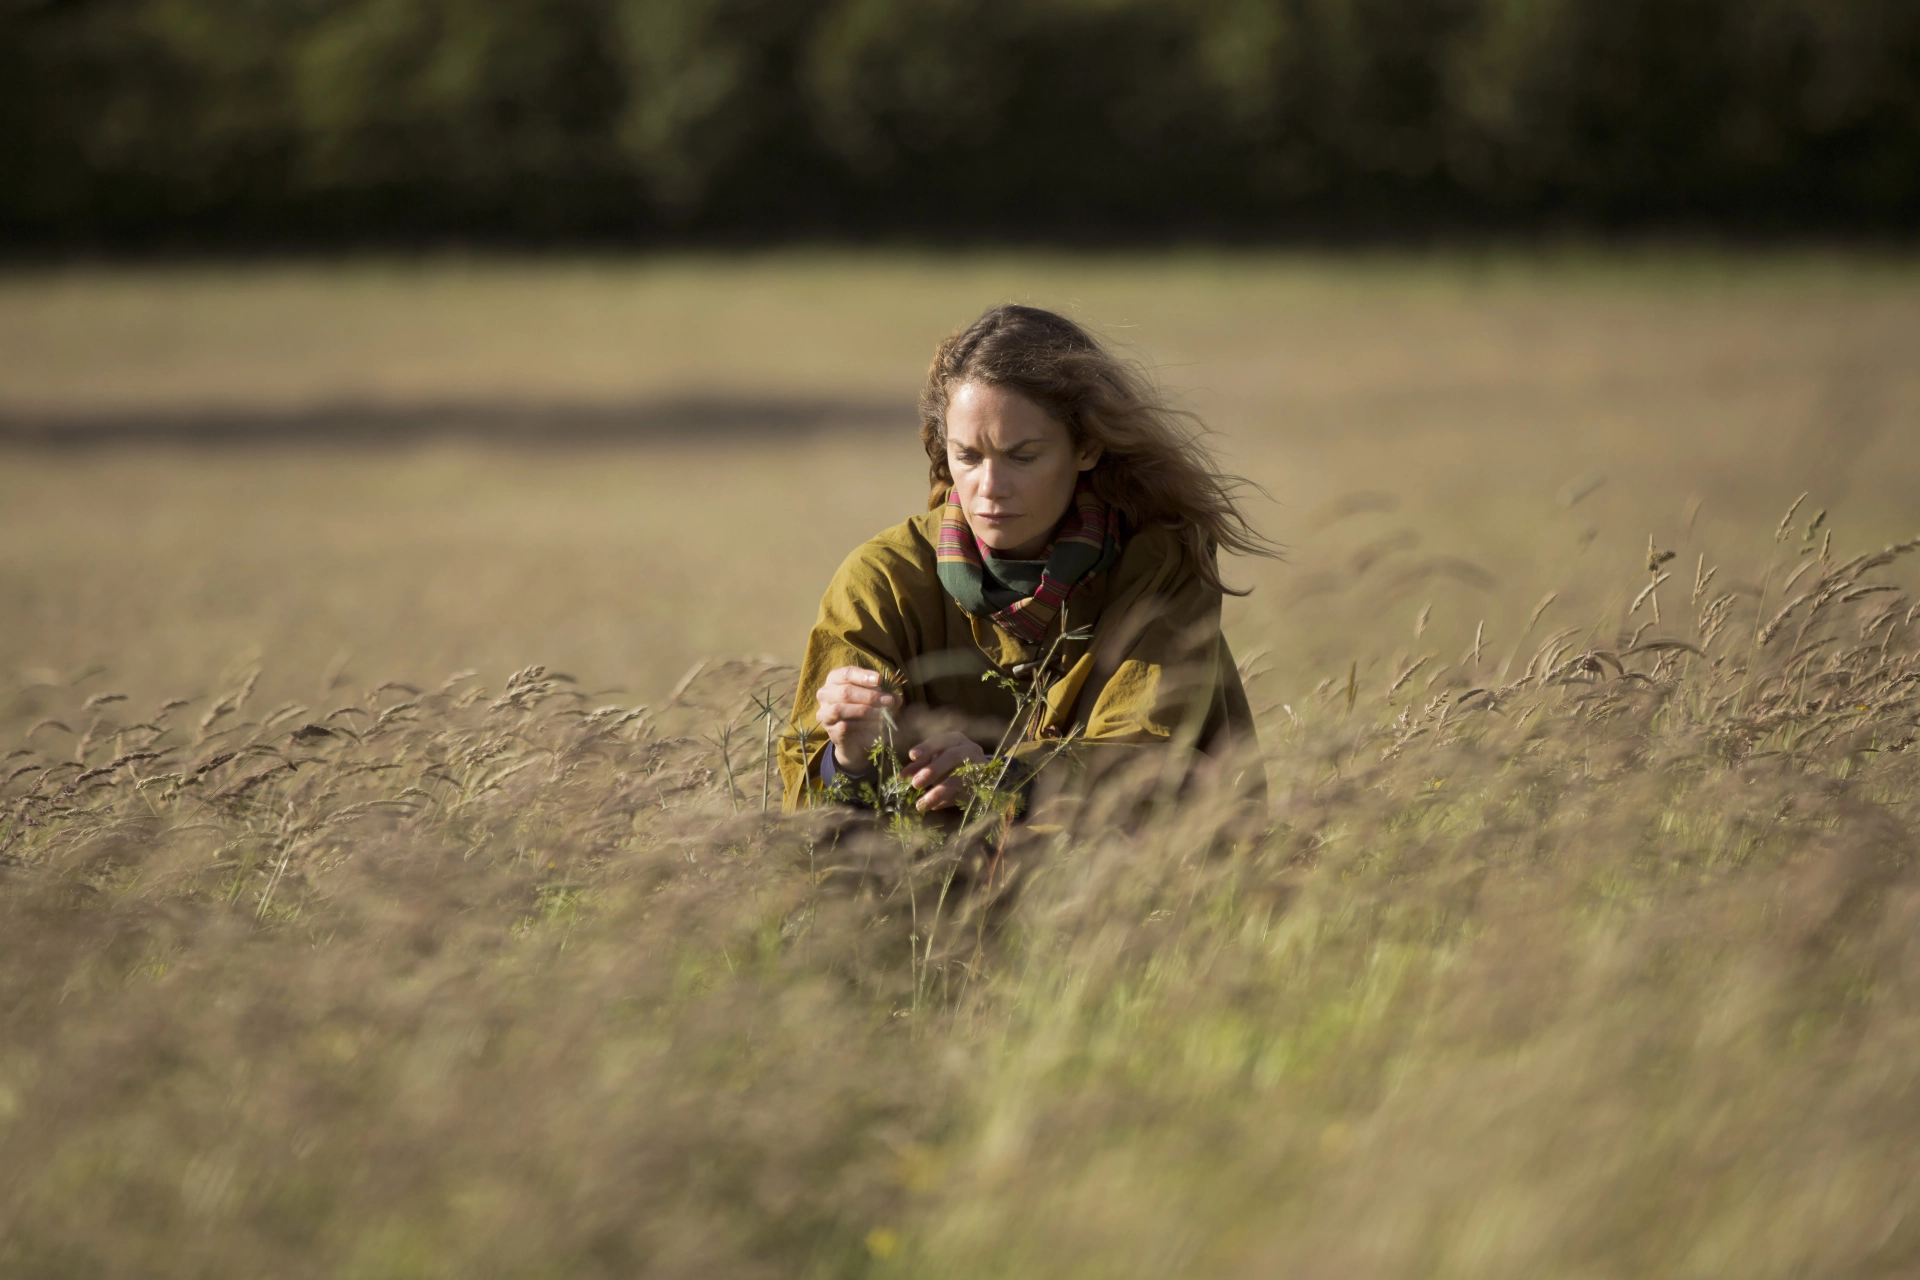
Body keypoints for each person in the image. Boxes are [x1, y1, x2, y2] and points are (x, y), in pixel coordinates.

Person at [778, 303, 1274, 816]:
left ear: (1087, 448)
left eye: (1023, 456)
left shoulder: (1159, 565)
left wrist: (1006, 778)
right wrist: (849, 757)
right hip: (931, 891)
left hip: (1135, 886)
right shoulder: (881, 579)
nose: (990, 488)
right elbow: (816, 829)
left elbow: (1151, 759)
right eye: (968, 456)